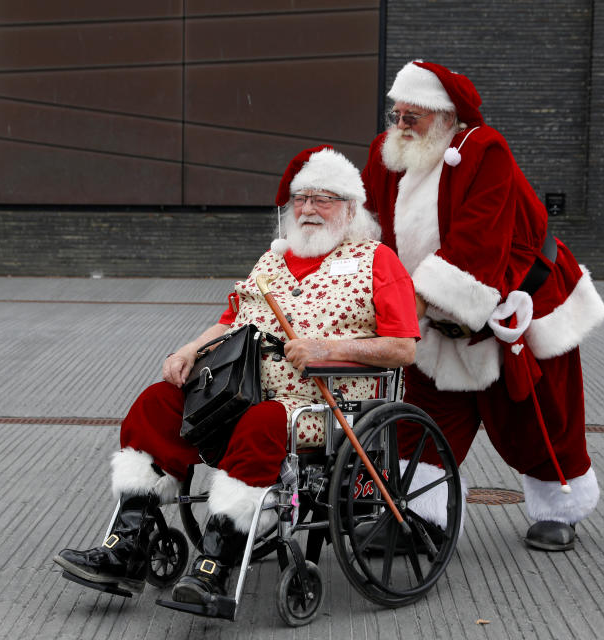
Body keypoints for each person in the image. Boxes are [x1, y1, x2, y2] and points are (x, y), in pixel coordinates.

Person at [54, 146, 423, 605]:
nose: (307, 209)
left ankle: (213, 566)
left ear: (350, 208)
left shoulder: (376, 261)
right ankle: (126, 547)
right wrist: (189, 350)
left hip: (325, 405)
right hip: (239, 390)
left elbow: (404, 347)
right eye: (300, 199)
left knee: (262, 422)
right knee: (156, 404)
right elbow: (231, 322)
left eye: (321, 199)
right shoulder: (272, 260)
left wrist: (328, 348)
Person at [360, 60, 604, 551]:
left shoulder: (484, 151)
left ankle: (561, 506)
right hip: (433, 317)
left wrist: (405, 303)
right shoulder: (386, 154)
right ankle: (420, 515)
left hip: (520, 305)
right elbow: (367, 228)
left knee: (537, 421)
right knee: (426, 418)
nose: (402, 126)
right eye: (398, 114)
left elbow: (478, 248)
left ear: (447, 116)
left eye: (415, 116)